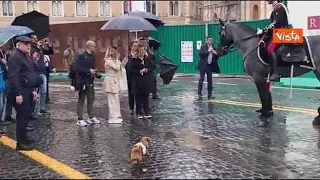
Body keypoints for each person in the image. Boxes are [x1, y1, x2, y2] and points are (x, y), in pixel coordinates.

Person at [7, 36, 42, 151]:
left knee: (25, 116)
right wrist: (18, 94)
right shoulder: (15, 56)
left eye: (29, 44)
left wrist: (32, 90)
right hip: (20, 91)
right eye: (26, 44)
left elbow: (30, 72)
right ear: (19, 45)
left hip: (27, 90)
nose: (28, 46)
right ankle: (21, 143)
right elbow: (13, 77)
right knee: (21, 117)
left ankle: (25, 139)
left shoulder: (25, 56)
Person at [256, 0, 290, 82]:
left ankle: (276, 74)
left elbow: (276, 23)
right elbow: (273, 24)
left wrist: (264, 30)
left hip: (283, 32)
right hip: (277, 33)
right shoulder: (275, 8)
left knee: (270, 48)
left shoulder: (280, 7)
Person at [75, 40, 101, 127]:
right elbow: (78, 68)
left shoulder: (93, 57)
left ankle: (91, 117)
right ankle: (80, 119)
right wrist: (89, 71)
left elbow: (92, 68)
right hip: (82, 81)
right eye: (94, 46)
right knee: (81, 100)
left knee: (91, 99)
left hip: (90, 81)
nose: (95, 48)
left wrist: (95, 74)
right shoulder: (81, 56)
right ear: (89, 47)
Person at [102, 46, 128, 124]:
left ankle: (117, 115)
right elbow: (116, 68)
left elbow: (121, 67)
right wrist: (117, 60)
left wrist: (125, 60)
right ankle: (112, 117)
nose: (114, 53)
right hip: (110, 81)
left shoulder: (116, 60)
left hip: (115, 81)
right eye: (112, 51)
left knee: (116, 99)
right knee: (112, 100)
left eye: (115, 51)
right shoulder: (108, 61)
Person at [130, 44, 156, 119]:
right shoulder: (134, 60)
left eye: (143, 50)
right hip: (137, 81)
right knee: (138, 97)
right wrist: (139, 71)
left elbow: (152, 67)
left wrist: (146, 70)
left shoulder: (147, 59)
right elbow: (131, 70)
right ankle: (139, 112)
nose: (142, 52)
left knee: (146, 97)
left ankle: (146, 112)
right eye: (140, 50)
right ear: (137, 52)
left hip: (146, 81)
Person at [198, 35, 220, 100]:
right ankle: (199, 94)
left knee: (210, 81)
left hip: (209, 66)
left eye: (211, 40)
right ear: (206, 40)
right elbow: (201, 55)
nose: (211, 41)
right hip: (203, 66)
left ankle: (209, 95)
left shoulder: (213, 48)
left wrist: (214, 52)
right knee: (201, 80)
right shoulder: (203, 47)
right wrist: (208, 51)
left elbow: (217, 56)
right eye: (210, 40)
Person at [126, 41, 138, 115]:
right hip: (130, 77)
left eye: (137, 46)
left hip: (137, 77)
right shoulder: (128, 56)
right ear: (130, 47)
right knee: (131, 93)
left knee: (138, 93)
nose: (135, 48)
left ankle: (139, 108)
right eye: (134, 46)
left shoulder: (139, 55)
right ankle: (131, 108)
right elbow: (122, 66)